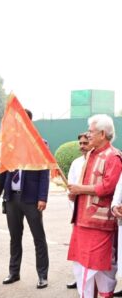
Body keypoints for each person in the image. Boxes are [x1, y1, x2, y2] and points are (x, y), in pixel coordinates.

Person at [0, 109, 50, 289]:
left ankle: (42, 275)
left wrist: (42, 197)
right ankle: (14, 272)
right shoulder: (10, 145)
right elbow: (3, 172)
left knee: (38, 237)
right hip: (12, 199)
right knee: (14, 237)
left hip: (31, 199)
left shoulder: (40, 144)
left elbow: (44, 173)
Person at [68, 114, 122, 298]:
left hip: (100, 224)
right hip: (82, 222)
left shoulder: (113, 156)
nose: (88, 134)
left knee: (101, 267)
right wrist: (74, 193)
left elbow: (109, 187)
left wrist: (80, 188)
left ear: (102, 133)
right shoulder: (90, 154)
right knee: (83, 267)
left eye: (91, 131)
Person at [66, 132, 91, 289]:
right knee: (79, 249)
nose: (82, 146)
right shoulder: (76, 163)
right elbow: (70, 188)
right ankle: (79, 278)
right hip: (78, 214)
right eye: (80, 143)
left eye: (85, 143)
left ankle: (92, 281)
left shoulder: (102, 161)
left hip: (96, 216)